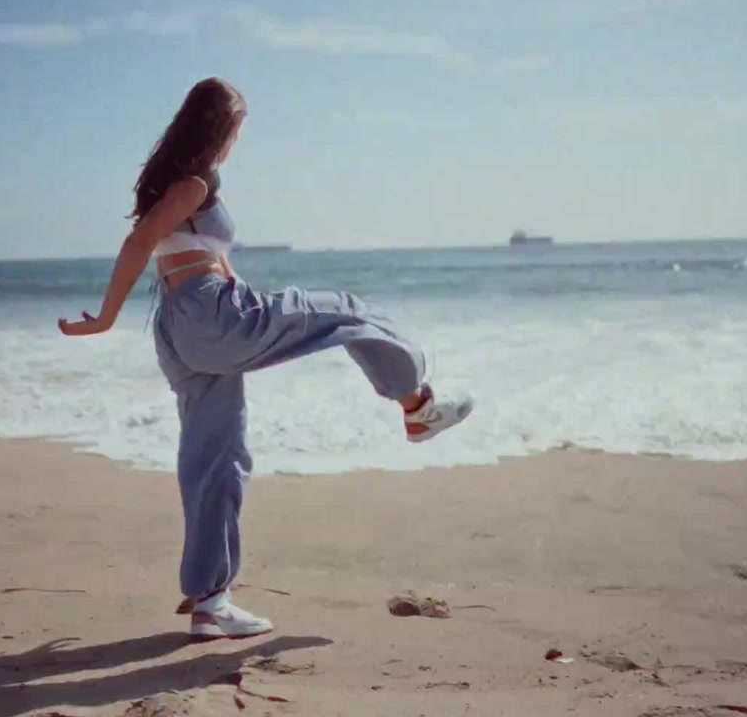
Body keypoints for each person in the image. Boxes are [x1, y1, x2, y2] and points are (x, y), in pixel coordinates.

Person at [58, 77, 474, 641]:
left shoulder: (167, 183)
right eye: (237, 128)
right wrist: (105, 318)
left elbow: (187, 254)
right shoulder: (195, 183)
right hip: (211, 316)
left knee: (214, 456)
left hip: (179, 325)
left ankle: (209, 602)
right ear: (220, 127)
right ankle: (417, 406)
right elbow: (139, 244)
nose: (238, 139)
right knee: (347, 310)